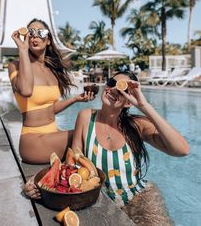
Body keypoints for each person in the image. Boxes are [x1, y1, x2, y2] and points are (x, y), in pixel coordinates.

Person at [71, 71, 189, 225]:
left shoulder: (136, 125)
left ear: (128, 102)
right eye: (112, 83)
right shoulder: (86, 117)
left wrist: (144, 106)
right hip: (101, 201)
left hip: (139, 198)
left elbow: (182, 150)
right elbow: (73, 164)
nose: (113, 90)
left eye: (122, 91)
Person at [8, 18, 95, 165]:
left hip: (52, 135)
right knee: (89, 134)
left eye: (41, 32)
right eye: (31, 32)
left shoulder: (52, 71)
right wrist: (22, 50)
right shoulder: (15, 66)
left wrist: (75, 99)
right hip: (34, 141)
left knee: (94, 124)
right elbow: (26, 90)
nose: (35, 36)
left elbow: (50, 109)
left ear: (48, 40)